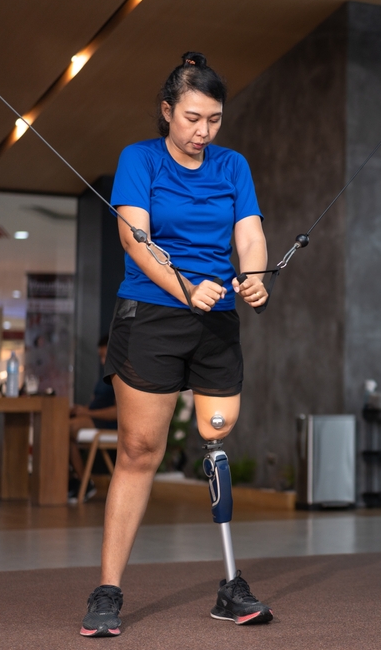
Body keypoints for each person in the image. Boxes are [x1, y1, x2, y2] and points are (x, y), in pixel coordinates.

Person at [79, 52, 272, 638]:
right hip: (152, 313)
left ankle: (229, 586)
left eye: (213, 120)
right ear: (168, 112)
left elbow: (251, 233)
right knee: (140, 451)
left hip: (215, 318)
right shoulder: (138, 159)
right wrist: (186, 287)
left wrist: (256, 275)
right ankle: (108, 590)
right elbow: (135, 240)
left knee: (215, 438)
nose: (202, 132)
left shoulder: (232, 166)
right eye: (191, 118)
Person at [68, 335, 118, 502]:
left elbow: (119, 412)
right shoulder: (104, 377)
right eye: (101, 357)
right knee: (61, 427)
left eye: (106, 356)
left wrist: (88, 413)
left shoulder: (120, 377)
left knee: (66, 428)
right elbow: (96, 404)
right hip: (94, 418)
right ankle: (76, 479)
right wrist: (82, 409)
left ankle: (84, 482)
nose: (103, 361)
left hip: (109, 424)